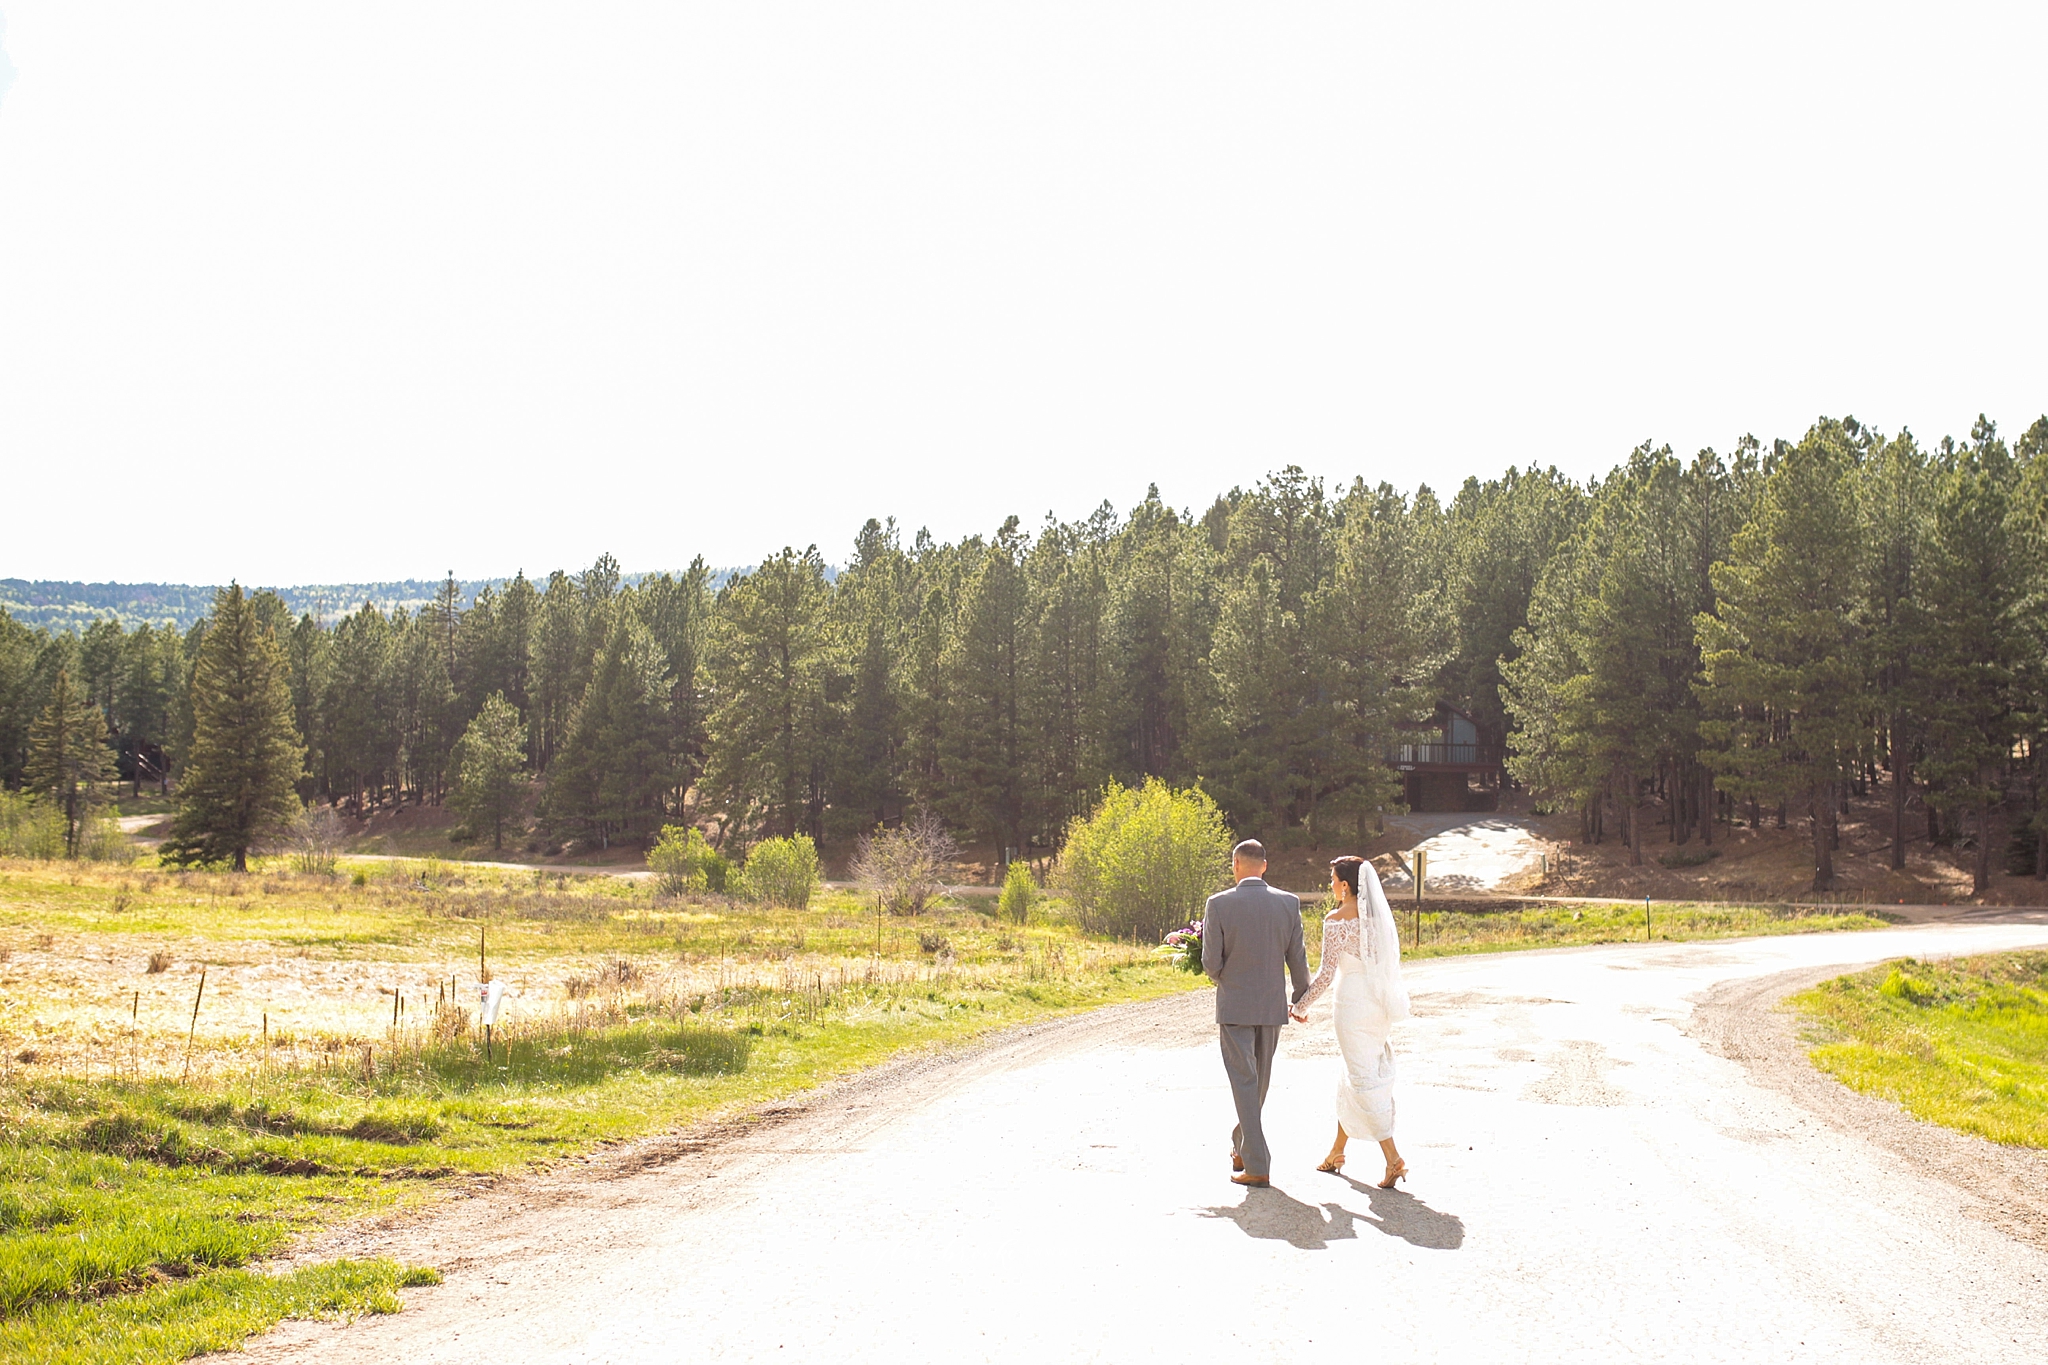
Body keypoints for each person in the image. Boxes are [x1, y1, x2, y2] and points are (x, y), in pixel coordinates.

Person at [1289, 853, 1411, 1188]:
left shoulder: (1336, 920)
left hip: (1353, 1004)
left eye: (1332, 880)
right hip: (1377, 1003)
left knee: (1360, 1078)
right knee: (1355, 1073)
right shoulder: (1378, 921)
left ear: (1345, 885)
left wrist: (1300, 1005)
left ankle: (1393, 1158)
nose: (1330, 886)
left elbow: (1327, 974)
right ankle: (1336, 1151)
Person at [1201, 838, 1309, 1188]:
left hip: (1235, 1004)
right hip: (1271, 1005)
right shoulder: (1288, 903)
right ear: (1264, 865)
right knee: (1257, 1082)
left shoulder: (1218, 904)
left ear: (1235, 866)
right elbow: (1297, 959)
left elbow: (1210, 963)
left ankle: (1257, 1163)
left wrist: (1227, 980)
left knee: (1245, 1082)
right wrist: (1300, 998)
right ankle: (1242, 1145)